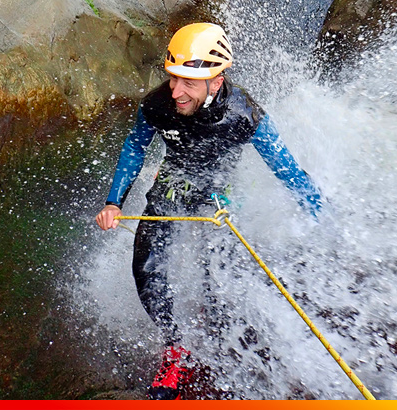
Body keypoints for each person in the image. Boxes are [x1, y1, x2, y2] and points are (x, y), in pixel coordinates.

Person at [95, 22, 323, 399]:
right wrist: (114, 201)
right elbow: (135, 147)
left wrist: (318, 211)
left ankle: (221, 336)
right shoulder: (156, 105)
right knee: (146, 264)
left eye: (189, 82)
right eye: (173, 78)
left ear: (216, 82)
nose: (176, 91)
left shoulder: (244, 115)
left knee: (214, 273)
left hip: (218, 190)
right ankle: (176, 347)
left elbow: (286, 168)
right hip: (174, 180)